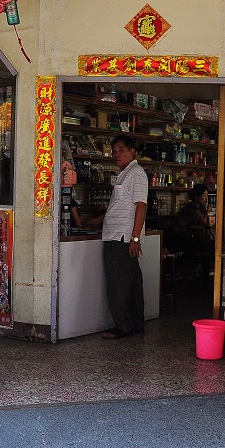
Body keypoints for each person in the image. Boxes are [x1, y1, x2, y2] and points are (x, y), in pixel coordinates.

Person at [83, 134, 148, 339]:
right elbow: (120, 207)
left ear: (132, 151)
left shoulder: (136, 173)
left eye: (121, 150)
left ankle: (123, 326)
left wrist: (134, 238)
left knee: (118, 283)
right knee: (130, 282)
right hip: (117, 235)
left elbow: (141, 205)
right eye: (114, 150)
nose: (116, 154)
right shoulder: (125, 174)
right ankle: (135, 323)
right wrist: (96, 220)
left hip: (122, 238)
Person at [168, 183, 214, 276]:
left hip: (194, 238)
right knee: (207, 250)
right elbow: (203, 221)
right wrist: (208, 211)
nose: (205, 198)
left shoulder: (199, 207)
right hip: (186, 239)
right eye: (204, 195)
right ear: (197, 196)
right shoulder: (192, 208)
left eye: (206, 196)